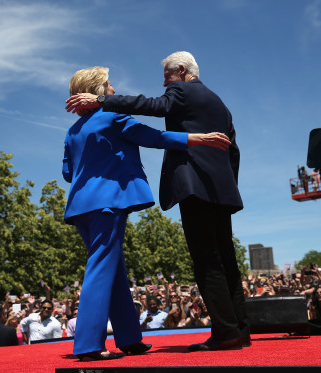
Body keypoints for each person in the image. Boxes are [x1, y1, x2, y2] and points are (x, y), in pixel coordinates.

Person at [66, 51, 250, 352]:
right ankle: (89, 344)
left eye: (166, 75)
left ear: (181, 70)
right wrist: (205, 148)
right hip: (210, 189)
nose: (164, 83)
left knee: (114, 267)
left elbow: (67, 171)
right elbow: (156, 137)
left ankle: (130, 338)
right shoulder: (220, 103)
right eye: (109, 85)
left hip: (82, 206)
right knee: (225, 260)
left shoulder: (73, 130)